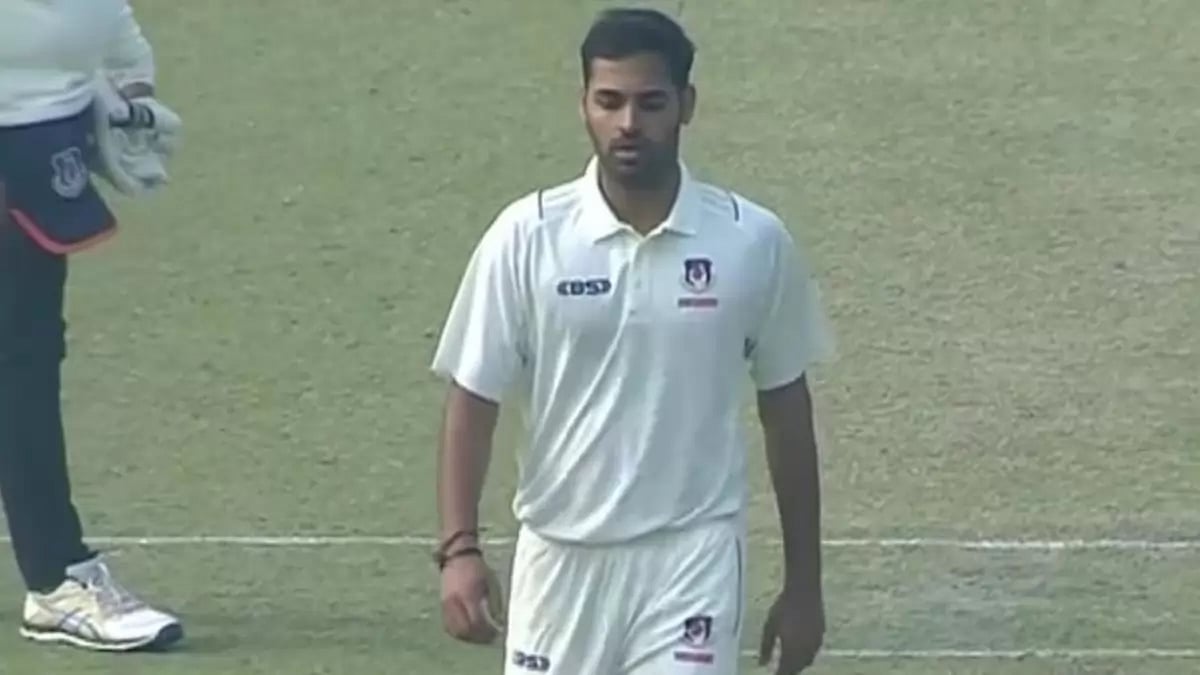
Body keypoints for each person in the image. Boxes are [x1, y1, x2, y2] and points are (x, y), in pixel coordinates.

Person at [430, 7, 835, 674]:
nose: (628, 124)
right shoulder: (526, 237)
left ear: (686, 105)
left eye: (650, 103)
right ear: (583, 105)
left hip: (693, 557)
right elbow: (472, 397)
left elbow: (787, 410)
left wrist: (805, 586)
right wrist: (459, 547)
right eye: (609, 101)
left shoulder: (751, 241)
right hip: (560, 560)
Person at [0, 0, 183, 652]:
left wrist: (127, 95)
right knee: (18, 357)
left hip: (41, 137)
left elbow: (116, 33)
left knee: (25, 350)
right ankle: (56, 577)